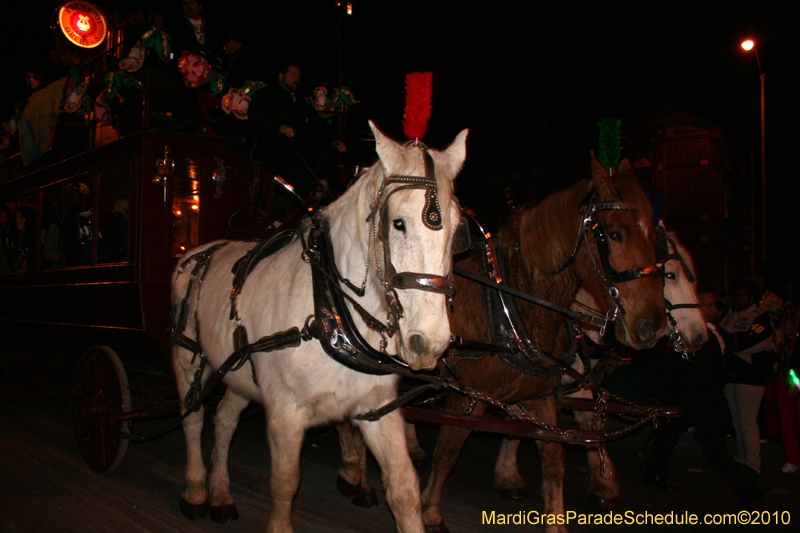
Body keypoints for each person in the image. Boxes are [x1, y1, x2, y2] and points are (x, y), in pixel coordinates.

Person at [644, 289, 767, 504]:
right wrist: (663, 398)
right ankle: (748, 492)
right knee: (715, 450)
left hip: (703, 398)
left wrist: (758, 372)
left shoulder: (715, 330)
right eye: (706, 305)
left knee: (668, 438)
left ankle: (653, 475)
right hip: (693, 399)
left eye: (714, 306)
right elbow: (669, 367)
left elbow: (726, 361)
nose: (713, 310)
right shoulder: (686, 333)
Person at [248, 63, 346, 222]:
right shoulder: (265, 95)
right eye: (293, 75)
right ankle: (284, 212)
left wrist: (333, 140)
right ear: (281, 76)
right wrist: (279, 127)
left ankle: (330, 194)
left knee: (324, 150)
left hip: (299, 147)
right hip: (274, 146)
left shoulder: (300, 101)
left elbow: (317, 123)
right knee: (290, 155)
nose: (296, 80)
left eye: (298, 77)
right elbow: (257, 116)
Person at [721, 280, 777, 475]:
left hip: (752, 374)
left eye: (742, 296)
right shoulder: (728, 317)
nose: (738, 300)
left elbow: (743, 343)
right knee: (736, 419)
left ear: (752, 298)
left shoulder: (761, 317)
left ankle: (753, 464)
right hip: (732, 373)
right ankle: (742, 456)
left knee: (747, 419)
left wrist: (728, 342)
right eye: (735, 296)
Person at [776, 279, 800, 474]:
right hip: (786, 368)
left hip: (795, 370)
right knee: (787, 417)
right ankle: (793, 458)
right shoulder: (787, 309)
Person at [9, 205, 37, 274]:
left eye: (21, 218)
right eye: (16, 218)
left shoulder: (34, 235)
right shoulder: (16, 235)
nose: (18, 220)